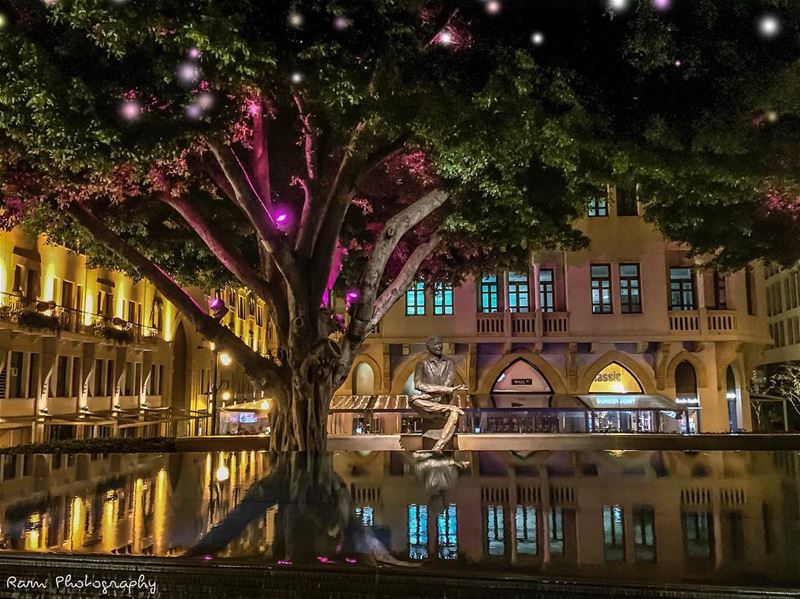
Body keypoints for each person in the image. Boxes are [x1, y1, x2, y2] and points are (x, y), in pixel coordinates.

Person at [409, 336, 467, 452]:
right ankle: (447, 407)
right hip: (429, 407)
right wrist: (446, 390)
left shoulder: (450, 363)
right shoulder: (422, 364)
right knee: (412, 399)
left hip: (443, 403)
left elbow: (447, 385)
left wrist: (445, 391)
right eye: (435, 344)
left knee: (454, 414)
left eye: (440, 343)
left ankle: (438, 447)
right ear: (428, 347)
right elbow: (419, 385)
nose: (439, 346)